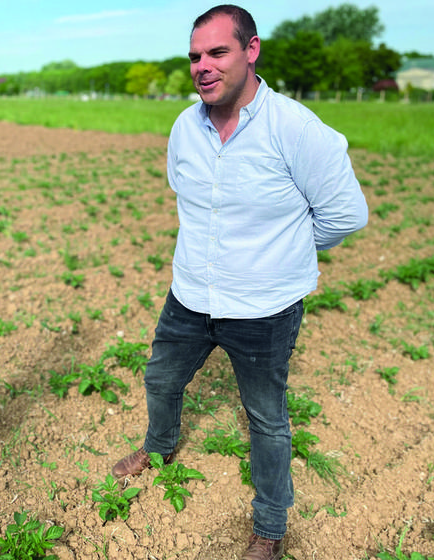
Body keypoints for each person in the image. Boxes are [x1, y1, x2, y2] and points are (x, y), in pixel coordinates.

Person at [110, 5, 368, 560]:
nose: (203, 66)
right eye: (195, 56)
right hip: (190, 297)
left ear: (251, 51)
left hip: (263, 309)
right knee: (159, 378)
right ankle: (159, 448)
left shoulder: (296, 130)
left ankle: (270, 527)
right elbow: (185, 193)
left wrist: (284, 252)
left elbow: (346, 214)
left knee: (266, 419)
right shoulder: (185, 126)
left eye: (217, 52)